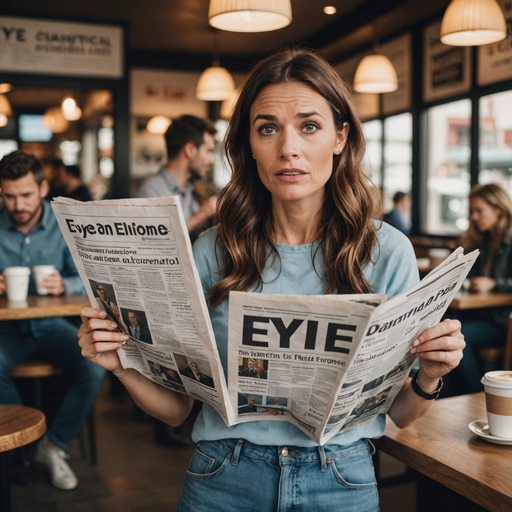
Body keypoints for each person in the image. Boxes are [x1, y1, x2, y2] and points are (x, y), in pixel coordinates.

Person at [78, 48, 465, 511]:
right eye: (268, 128)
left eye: (309, 126)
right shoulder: (211, 251)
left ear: (340, 137)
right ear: (249, 143)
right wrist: (123, 366)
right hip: (224, 473)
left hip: (340, 477)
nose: (288, 148)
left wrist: (430, 376)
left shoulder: (387, 252)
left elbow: (400, 414)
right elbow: (179, 408)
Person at [0, 150, 105, 490]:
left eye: (26, 195)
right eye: (9, 196)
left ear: (43, 188)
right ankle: (23, 448)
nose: (18, 205)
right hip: (8, 332)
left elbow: (89, 279)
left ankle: (52, 446)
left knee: (94, 366)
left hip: (51, 327)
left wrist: (67, 283)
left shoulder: (64, 225)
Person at [454, 183, 512, 393]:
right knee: (448, 325)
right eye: (472, 212)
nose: (474, 217)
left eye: (479, 211)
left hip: (503, 321)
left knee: (461, 334)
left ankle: (475, 394)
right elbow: (466, 276)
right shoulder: (484, 240)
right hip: (483, 314)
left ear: (498, 209)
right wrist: (463, 250)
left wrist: (495, 284)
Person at [134, 115, 218, 237]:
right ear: (190, 150)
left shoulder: (187, 187)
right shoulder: (150, 191)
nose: (211, 160)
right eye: (208, 151)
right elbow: (153, 243)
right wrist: (201, 215)